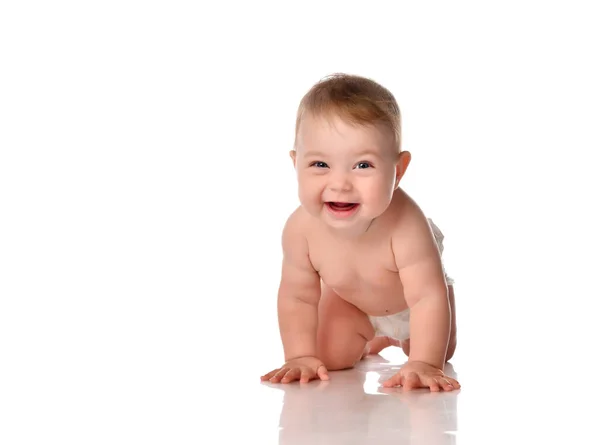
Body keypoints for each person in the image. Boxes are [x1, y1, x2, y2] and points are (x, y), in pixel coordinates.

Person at [260, 73, 460, 391]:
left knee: (433, 356)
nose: (340, 184)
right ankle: (375, 336)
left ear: (398, 171)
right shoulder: (300, 230)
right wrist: (299, 356)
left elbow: (425, 296)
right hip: (352, 302)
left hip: (416, 305)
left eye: (363, 165)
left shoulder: (407, 225)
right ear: (295, 164)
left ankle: (406, 341)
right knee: (328, 356)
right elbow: (297, 295)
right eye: (320, 165)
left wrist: (425, 362)